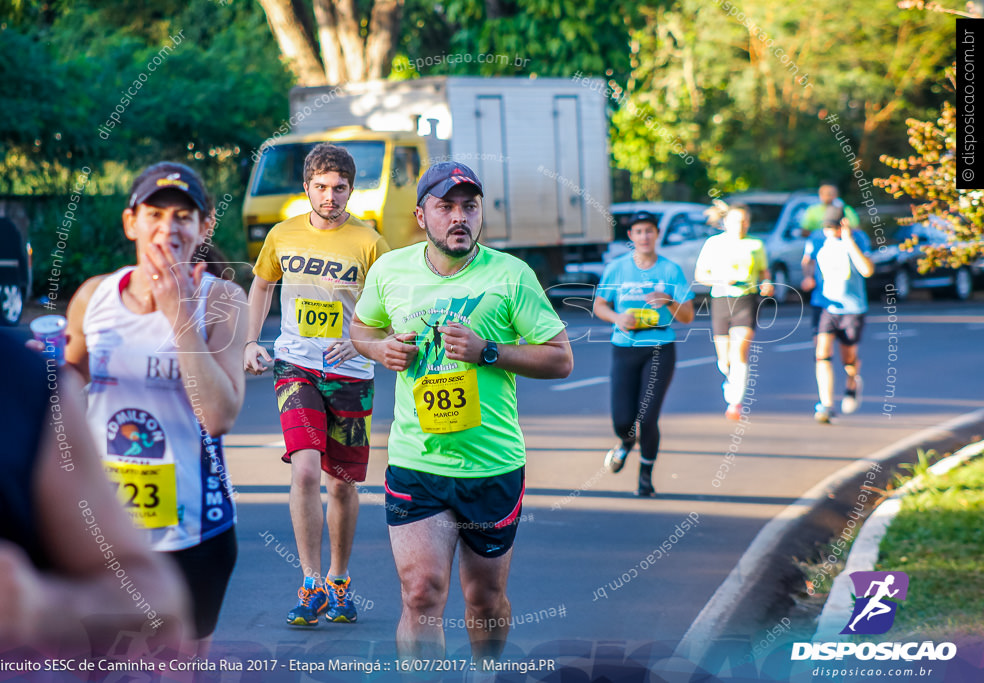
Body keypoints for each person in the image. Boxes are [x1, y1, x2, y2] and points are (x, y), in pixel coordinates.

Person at [350, 161, 572, 661]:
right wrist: (380, 348)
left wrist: (488, 351)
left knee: (484, 599)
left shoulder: (511, 276)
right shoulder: (390, 270)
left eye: (469, 207)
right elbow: (361, 329)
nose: (459, 217)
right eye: (445, 206)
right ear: (421, 215)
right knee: (422, 593)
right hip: (417, 461)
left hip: (491, 465)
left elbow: (560, 358)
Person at [63, 162, 248, 647]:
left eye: (184, 216)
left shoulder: (224, 300)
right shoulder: (92, 298)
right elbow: (66, 385)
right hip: (104, 529)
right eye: (156, 214)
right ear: (131, 223)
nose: (169, 228)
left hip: (194, 533)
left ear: (204, 227)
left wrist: (178, 313)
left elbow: (219, 415)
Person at [0, 313, 188, 656]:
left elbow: (157, 600)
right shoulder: (93, 300)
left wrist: (39, 606)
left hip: (184, 511)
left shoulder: (6, 375)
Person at [244, 143, 390, 627]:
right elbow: (263, 283)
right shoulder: (282, 235)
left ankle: (339, 579)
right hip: (295, 365)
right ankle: (309, 583)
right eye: (321, 187)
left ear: (352, 190)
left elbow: (397, 309)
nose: (330, 197)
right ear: (307, 187)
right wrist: (250, 342)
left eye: (340, 188)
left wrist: (366, 342)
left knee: (341, 485)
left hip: (350, 374)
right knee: (305, 471)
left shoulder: (370, 244)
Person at [593, 211, 695, 496]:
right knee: (623, 420)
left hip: (660, 348)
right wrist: (617, 318)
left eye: (649, 231)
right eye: (638, 231)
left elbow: (687, 316)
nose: (644, 237)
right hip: (624, 348)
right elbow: (600, 305)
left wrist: (669, 300)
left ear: (657, 234)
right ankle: (626, 443)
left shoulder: (670, 270)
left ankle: (646, 476)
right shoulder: (617, 268)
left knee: (647, 417)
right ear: (631, 236)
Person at [693, 203, 774, 420]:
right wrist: (720, 279)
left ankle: (735, 402)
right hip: (721, 299)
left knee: (740, 352)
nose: (741, 225)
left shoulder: (756, 244)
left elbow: (764, 272)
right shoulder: (713, 244)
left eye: (745, 221)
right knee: (724, 359)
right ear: (726, 222)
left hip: (747, 300)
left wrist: (767, 284)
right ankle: (729, 376)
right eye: (737, 221)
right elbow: (700, 274)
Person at [801, 205, 874, 424]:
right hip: (824, 304)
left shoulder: (858, 239)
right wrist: (808, 277)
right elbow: (808, 261)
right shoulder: (817, 239)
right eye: (827, 227)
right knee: (821, 352)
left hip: (852, 307)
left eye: (834, 227)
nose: (830, 232)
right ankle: (826, 404)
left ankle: (852, 382)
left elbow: (867, 270)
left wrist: (849, 241)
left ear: (843, 224)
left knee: (848, 357)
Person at [800, 183, 861, 337]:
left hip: (843, 255)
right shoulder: (813, 212)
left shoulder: (846, 210)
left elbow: (857, 228)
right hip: (822, 254)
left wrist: (843, 235)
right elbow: (804, 232)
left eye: (831, 193)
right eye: (825, 194)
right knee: (821, 349)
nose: (828, 197)